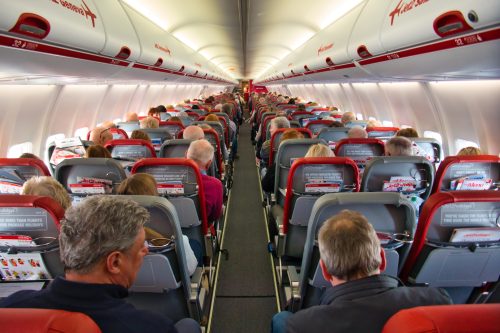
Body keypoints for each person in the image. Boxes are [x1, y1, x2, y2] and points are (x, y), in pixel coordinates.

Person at [0, 195, 200, 333]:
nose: (146, 250)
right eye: (140, 246)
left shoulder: (12, 308)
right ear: (114, 262)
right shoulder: (149, 327)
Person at [271, 210, 452, 333]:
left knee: (281, 319)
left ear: (324, 271)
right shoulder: (437, 302)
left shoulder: (301, 326)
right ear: (382, 258)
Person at [117, 173, 199, 275]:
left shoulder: (115, 230)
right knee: (196, 244)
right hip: (170, 279)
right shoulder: (168, 223)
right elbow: (189, 269)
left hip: (129, 282)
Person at [186, 140, 223, 223]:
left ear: (186, 154)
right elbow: (215, 216)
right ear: (209, 164)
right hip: (200, 231)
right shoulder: (215, 185)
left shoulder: (169, 176)